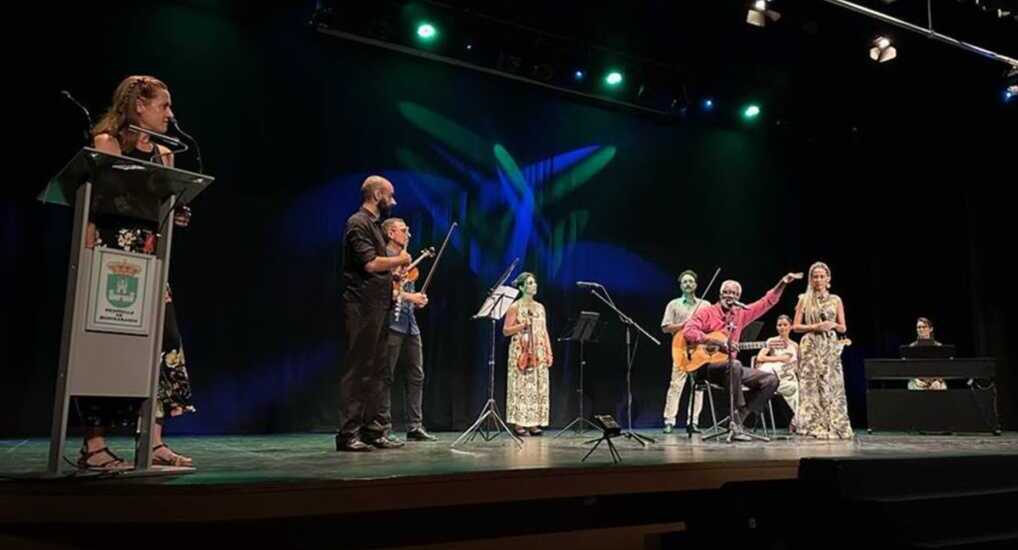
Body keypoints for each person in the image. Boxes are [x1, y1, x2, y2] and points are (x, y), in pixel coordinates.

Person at [78, 75, 195, 469]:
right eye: (164, 105)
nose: (170, 114)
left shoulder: (165, 153)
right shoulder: (107, 143)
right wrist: (87, 252)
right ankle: (94, 446)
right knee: (104, 344)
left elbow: (161, 206)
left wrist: (176, 213)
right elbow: (96, 203)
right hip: (110, 253)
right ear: (139, 106)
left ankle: (154, 441)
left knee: (164, 341)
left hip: (150, 258)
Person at [337, 176, 412, 452]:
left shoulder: (376, 227)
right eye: (390, 196)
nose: (393, 201)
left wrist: (394, 273)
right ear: (377, 194)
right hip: (362, 307)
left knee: (378, 370)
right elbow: (369, 264)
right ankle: (348, 434)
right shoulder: (357, 223)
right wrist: (399, 259)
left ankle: (373, 430)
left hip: (379, 306)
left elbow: (379, 267)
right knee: (359, 369)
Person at [682, 272, 802, 440]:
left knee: (771, 380)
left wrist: (782, 283)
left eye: (734, 293)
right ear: (720, 294)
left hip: (731, 368)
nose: (729, 296)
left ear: (738, 297)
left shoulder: (740, 314)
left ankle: (738, 418)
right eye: (726, 292)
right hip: (705, 367)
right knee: (736, 365)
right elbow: (688, 331)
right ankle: (736, 420)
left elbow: (766, 302)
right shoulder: (707, 312)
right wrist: (715, 342)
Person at [366, 217, 437, 443]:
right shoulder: (385, 258)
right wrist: (409, 296)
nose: (408, 234)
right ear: (391, 233)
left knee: (417, 374)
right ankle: (383, 427)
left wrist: (417, 300)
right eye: (404, 230)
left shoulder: (407, 259)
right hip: (391, 322)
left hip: (409, 323)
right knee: (386, 375)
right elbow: (386, 291)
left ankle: (415, 425)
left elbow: (405, 291)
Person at [792, 261, 853, 440]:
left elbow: (843, 327)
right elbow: (795, 326)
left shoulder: (836, 299)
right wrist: (816, 326)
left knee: (831, 384)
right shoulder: (804, 299)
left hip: (829, 346)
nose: (818, 280)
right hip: (810, 345)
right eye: (815, 277)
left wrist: (831, 325)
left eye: (821, 276)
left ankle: (834, 424)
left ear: (828, 278)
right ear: (810, 279)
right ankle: (813, 424)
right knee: (811, 386)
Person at [502, 272, 553, 436]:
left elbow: (544, 331)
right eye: (530, 283)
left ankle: (534, 424)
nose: (534, 285)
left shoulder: (540, 307)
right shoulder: (515, 307)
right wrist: (522, 326)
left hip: (538, 352)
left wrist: (549, 352)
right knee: (522, 387)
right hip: (521, 352)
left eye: (534, 282)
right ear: (522, 287)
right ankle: (519, 424)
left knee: (538, 386)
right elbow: (506, 331)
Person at [660, 270, 708, 433]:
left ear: (696, 284)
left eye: (691, 281)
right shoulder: (673, 304)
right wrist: (683, 325)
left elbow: (711, 326)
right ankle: (669, 421)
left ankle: (693, 421)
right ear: (681, 286)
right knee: (676, 385)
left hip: (699, 350)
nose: (688, 284)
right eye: (685, 282)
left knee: (698, 387)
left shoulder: (705, 305)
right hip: (680, 349)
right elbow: (665, 327)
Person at [754, 315, 800, 429]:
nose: (782, 327)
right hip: (775, 375)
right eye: (779, 325)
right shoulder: (772, 341)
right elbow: (760, 357)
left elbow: (797, 366)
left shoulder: (795, 345)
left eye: (785, 325)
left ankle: (797, 420)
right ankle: (798, 421)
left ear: (790, 327)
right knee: (792, 388)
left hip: (788, 375)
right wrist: (780, 359)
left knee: (799, 389)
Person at [907, 317, 946, 390]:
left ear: (931, 329)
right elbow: (907, 367)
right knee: (914, 387)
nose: (921, 329)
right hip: (917, 382)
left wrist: (938, 381)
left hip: (936, 381)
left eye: (924, 327)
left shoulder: (939, 346)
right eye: (919, 327)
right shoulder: (911, 347)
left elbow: (944, 367)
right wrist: (916, 380)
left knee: (941, 388)